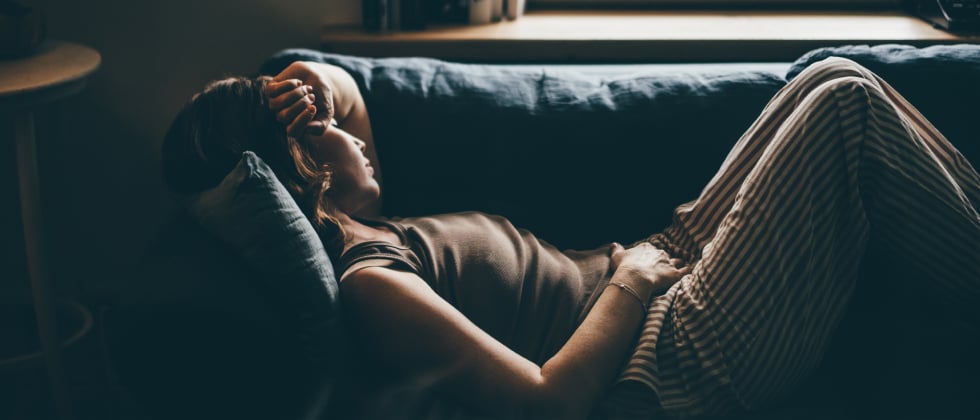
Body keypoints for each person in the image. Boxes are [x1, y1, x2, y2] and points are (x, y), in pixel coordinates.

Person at [162, 57, 980, 419]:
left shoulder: (370, 218)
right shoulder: (371, 282)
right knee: (845, 109)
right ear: (304, 163)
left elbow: (342, 86)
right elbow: (547, 406)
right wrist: (632, 282)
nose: (353, 132)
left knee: (828, 75)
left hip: (665, 277)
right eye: (329, 132)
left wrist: (304, 87)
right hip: (661, 364)